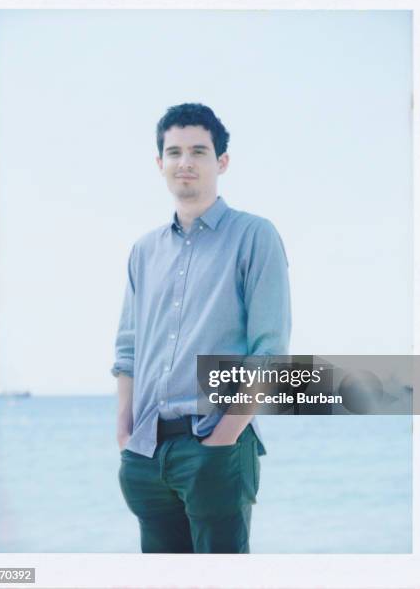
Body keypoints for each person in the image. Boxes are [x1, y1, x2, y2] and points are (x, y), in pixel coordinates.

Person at [111, 103, 291, 553]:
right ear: (160, 164)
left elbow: (269, 352)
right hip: (146, 453)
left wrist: (224, 438)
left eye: (198, 151)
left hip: (214, 446)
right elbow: (128, 347)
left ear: (221, 162)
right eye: (173, 152)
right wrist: (124, 433)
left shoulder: (255, 236)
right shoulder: (143, 250)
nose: (184, 162)